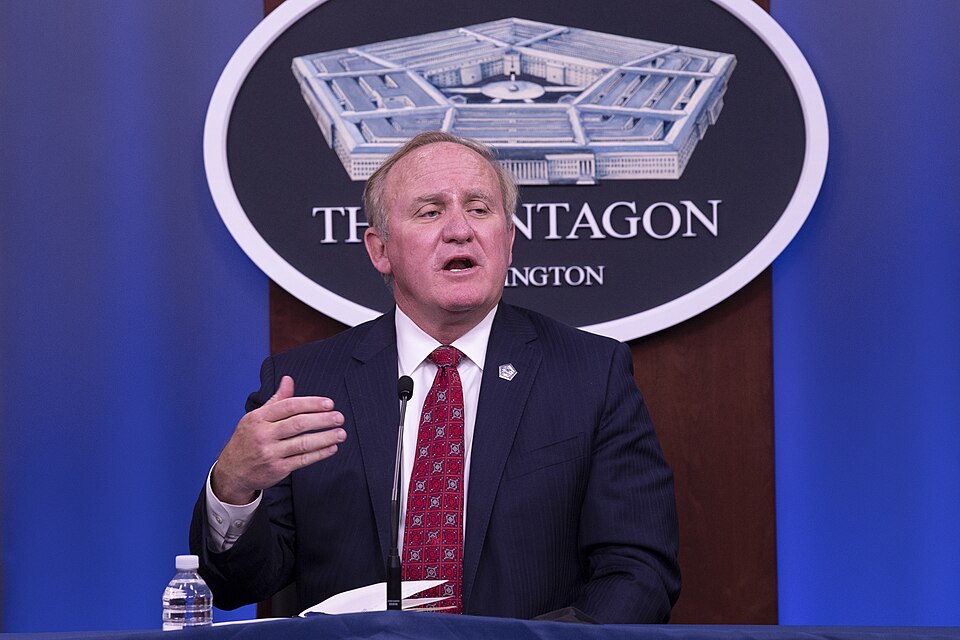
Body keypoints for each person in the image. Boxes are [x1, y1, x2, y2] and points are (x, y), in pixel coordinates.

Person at [190, 131, 680, 623]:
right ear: (380, 250)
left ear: (507, 241)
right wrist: (234, 484)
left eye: (480, 209)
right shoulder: (307, 383)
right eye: (430, 211)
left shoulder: (591, 374)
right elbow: (239, 586)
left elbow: (638, 570)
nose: (460, 230)